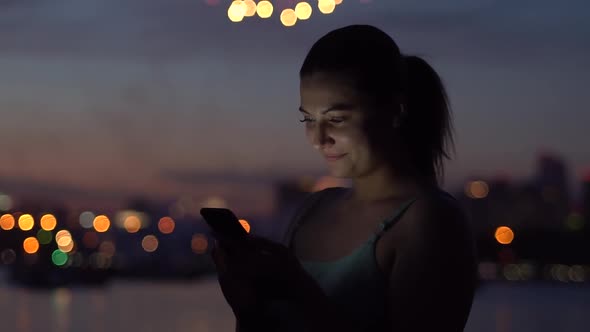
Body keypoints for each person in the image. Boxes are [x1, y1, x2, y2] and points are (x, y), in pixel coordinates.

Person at [211, 24, 478, 332]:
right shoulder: (312, 211)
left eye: (336, 119)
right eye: (308, 119)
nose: (318, 138)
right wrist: (248, 307)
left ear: (395, 111)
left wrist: (299, 290)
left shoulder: (429, 220)